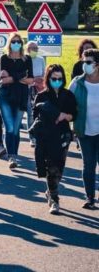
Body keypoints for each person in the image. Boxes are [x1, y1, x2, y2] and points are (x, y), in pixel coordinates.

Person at [31, 64, 76, 214]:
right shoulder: (41, 96)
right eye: (54, 78)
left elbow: (74, 114)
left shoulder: (68, 95)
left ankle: (51, 191)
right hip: (46, 136)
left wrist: (65, 116)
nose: (57, 80)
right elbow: (35, 117)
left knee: (59, 168)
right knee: (51, 168)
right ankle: (55, 200)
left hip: (63, 136)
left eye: (60, 78)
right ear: (48, 78)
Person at [0, 33, 34, 169]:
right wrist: (20, 76)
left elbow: (31, 80)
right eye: (14, 41)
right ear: (9, 43)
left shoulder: (27, 59)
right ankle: (11, 156)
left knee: (16, 128)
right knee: (10, 127)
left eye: (18, 41)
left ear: (22, 43)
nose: (16, 43)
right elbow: (4, 79)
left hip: (21, 96)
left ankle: (15, 155)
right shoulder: (4, 58)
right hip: (5, 95)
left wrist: (13, 77)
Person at [69, 48, 99, 209]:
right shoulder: (77, 83)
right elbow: (67, 103)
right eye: (83, 61)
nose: (85, 65)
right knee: (88, 165)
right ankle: (90, 197)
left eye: (88, 62)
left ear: (97, 64)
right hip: (84, 130)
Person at [27, 41, 46, 147]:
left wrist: (40, 80)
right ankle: (32, 137)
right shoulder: (25, 59)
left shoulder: (40, 59)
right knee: (30, 113)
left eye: (35, 48)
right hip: (27, 89)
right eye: (31, 48)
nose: (33, 50)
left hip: (39, 89)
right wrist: (33, 79)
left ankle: (40, 136)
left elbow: (44, 73)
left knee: (40, 113)